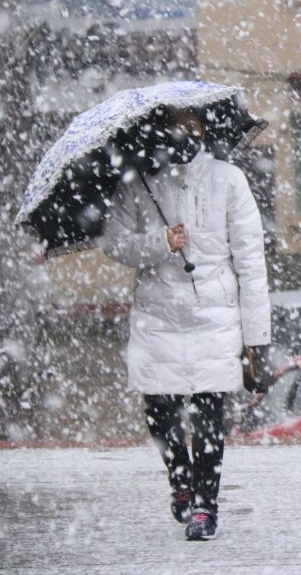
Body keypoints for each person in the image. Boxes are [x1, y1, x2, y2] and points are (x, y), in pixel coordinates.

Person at [99, 107, 272, 541]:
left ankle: (204, 505)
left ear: (203, 127)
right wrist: (159, 242)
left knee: (211, 414)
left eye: (189, 125)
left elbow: (251, 264)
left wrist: (258, 341)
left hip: (216, 318)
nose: (181, 134)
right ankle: (181, 479)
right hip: (157, 318)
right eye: (172, 125)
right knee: (160, 411)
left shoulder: (229, 180)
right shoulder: (138, 182)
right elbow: (114, 242)